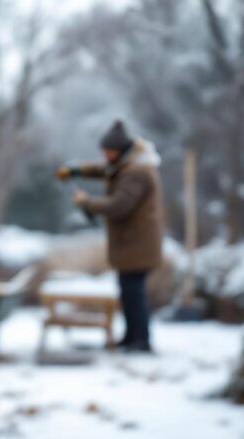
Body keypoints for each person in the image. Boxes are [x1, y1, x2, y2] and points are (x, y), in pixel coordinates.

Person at [56, 120, 164, 353]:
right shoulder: (128, 164)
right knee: (128, 292)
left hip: (137, 244)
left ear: (122, 150)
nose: (105, 155)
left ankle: (141, 341)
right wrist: (78, 169)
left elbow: (119, 206)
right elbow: (104, 169)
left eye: (109, 151)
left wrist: (87, 202)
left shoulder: (136, 173)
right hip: (133, 244)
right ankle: (131, 336)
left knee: (134, 294)